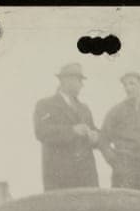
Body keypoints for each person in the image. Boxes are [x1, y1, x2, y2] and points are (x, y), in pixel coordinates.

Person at [33, 63, 101, 191]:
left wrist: (96, 137)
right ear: (66, 80)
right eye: (79, 80)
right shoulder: (45, 105)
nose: (82, 84)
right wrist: (72, 130)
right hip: (59, 176)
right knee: (61, 210)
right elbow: (41, 132)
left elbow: (95, 130)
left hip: (86, 175)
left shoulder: (84, 108)